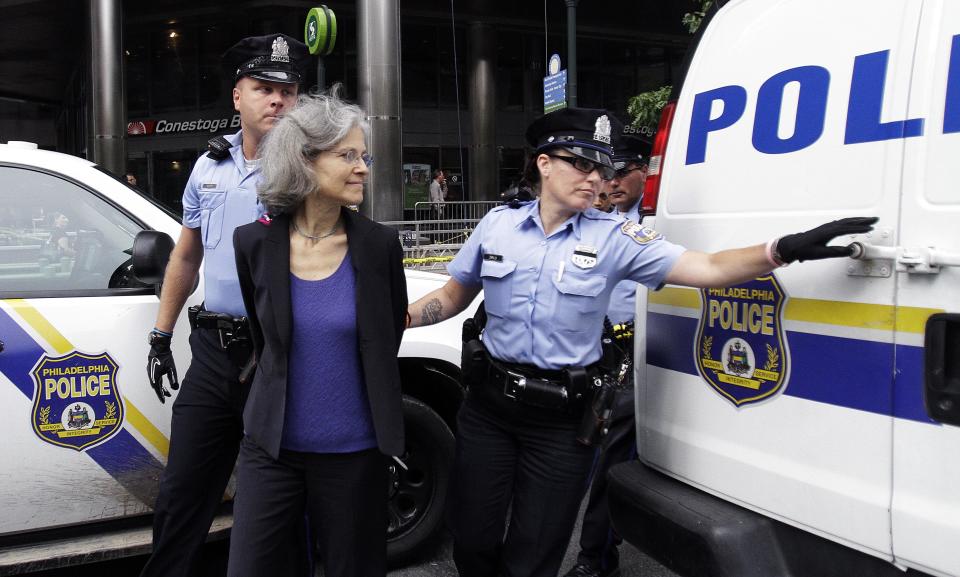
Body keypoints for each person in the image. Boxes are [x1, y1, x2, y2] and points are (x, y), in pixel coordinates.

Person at [404, 106, 877, 577]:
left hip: (561, 424)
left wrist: (783, 249)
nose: (597, 179)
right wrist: (398, 319)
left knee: (534, 554)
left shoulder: (618, 238)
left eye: (603, 169)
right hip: (488, 411)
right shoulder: (497, 226)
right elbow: (451, 296)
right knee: (472, 540)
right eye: (582, 164)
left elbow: (708, 268)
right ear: (544, 163)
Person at [141, 33, 308, 577]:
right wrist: (162, 335)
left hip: (280, 354)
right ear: (238, 96)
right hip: (214, 353)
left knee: (285, 504)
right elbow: (187, 258)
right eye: (264, 87)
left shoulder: (310, 172)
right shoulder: (207, 167)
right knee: (182, 494)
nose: (278, 99)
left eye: (288, 90)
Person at [228, 90, 407, 577]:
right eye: (347, 155)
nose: (363, 168)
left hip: (354, 455)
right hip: (271, 451)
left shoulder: (378, 246)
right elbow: (265, 340)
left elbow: (384, 338)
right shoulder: (253, 243)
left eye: (363, 156)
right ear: (305, 161)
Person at [564, 134, 651, 577]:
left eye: (622, 173)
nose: (611, 182)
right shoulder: (600, 219)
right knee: (600, 453)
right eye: (606, 174)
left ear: (644, 173)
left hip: (642, 351)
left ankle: (594, 557)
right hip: (605, 351)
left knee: (611, 456)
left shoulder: (653, 222)